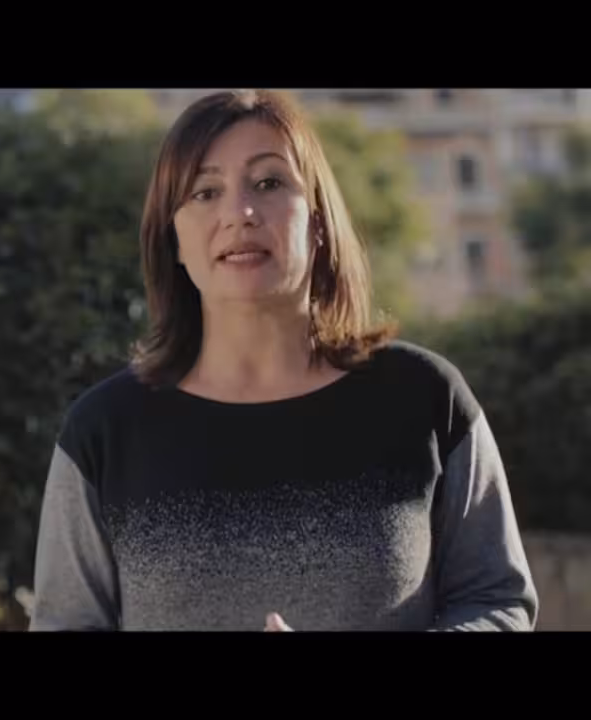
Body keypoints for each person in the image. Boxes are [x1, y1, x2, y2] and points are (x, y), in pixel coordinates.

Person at [28, 89, 538, 631]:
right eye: (205, 192)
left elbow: (497, 601)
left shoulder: (427, 398)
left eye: (269, 183)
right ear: (173, 238)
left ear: (318, 221)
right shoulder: (103, 430)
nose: (239, 214)